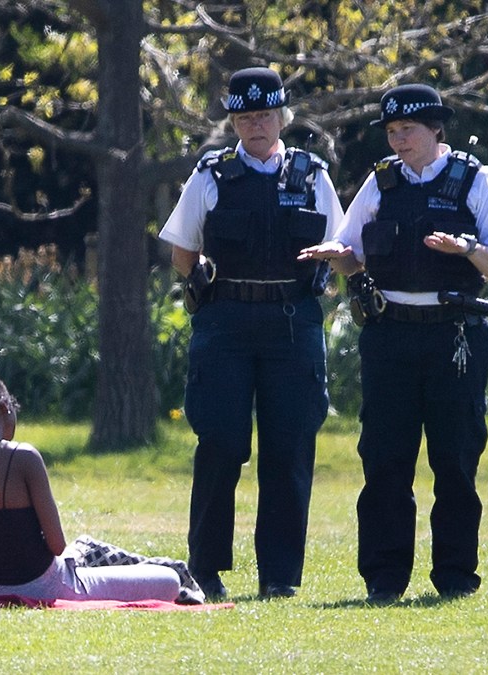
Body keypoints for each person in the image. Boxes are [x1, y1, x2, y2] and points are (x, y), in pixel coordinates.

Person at [299, 83, 488, 603]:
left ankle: (455, 576)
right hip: (390, 334)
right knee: (384, 459)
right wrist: (337, 256)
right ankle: (383, 577)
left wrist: (466, 248)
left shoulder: (474, 180)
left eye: (409, 131)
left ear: (436, 130)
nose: (399, 141)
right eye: (393, 131)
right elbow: (352, 250)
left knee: (456, 458)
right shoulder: (380, 183)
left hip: (455, 335)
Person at [158, 66, 344, 600]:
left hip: (292, 323)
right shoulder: (210, 174)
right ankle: (208, 569)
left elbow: (341, 244)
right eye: (243, 117)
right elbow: (181, 251)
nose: (254, 126)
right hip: (226, 324)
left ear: (281, 118)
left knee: (289, 449)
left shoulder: (312, 176)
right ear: (232, 121)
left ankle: (279, 577)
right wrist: (202, 283)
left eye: (263, 116)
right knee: (219, 442)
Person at [0, 363, 181, 602]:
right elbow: (57, 545)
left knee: (86, 550)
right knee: (170, 579)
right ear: (4, 405)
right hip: (49, 587)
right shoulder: (23, 457)